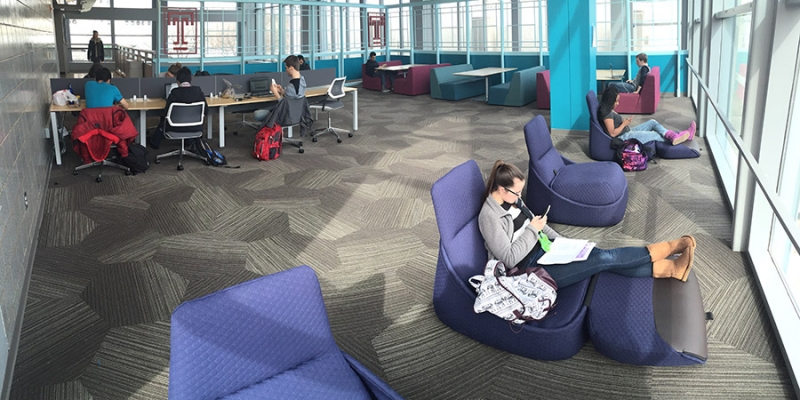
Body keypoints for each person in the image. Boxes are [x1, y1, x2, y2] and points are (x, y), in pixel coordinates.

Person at [479, 160, 697, 288]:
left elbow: (538, 225)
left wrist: (564, 243)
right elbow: (508, 259)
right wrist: (532, 230)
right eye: (516, 192)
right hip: (529, 271)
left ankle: (669, 268)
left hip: (546, 250)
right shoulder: (489, 216)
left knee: (599, 256)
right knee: (603, 259)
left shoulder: (513, 200)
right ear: (500, 190)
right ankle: (667, 252)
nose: (519, 196)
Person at [599, 86, 696, 145]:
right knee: (656, 135)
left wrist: (625, 123)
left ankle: (674, 135)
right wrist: (624, 124)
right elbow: (612, 133)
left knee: (652, 122)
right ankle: (684, 136)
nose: (617, 104)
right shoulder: (606, 113)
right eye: (616, 101)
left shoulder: (607, 109)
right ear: (609, 100)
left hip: (628, 131)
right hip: (625, 137)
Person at [148, 67, 208, 149]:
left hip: (175, 128)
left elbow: (166, 113)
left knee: (164, 121)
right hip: (195, 128)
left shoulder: (174, 92)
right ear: (191, 79)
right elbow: (206, 111)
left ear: (178, 81)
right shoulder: (198, 91)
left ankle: (154, 144)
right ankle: (188, 141)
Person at [253, 55, 307, 122]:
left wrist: (275, 93)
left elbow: (284, 105)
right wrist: (282, 91)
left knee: (257, 114)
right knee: (265, 108)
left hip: (286, 115)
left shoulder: (291, 86)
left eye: (286, 68)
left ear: (291, 68)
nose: (285, 70)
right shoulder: (302, 81)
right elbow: (293, 97)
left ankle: (269, 129)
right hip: (297, 114)